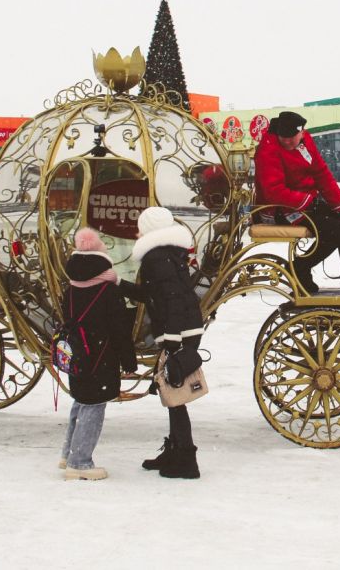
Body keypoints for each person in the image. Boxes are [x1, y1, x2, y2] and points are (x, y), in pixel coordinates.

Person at [254, 111, 340, 294]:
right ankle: (300, 268)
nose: (288, 142)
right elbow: (273, 191)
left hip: (302, 203)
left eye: (292, 137)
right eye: (284, 138)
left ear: (302, 132)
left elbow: (321, 173)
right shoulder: (268, 148)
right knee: (335, 230)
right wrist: (308, 202)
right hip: (278, 210)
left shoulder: (306, 141)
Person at [121, 206, 205, 480]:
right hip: (184, 328)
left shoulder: (156, 258)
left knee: (175, 394)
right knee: (173, 393)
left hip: (178, 330)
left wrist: (171, 339)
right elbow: (156, 293)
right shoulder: (167, 254)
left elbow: (171, 298)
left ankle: (186, 461)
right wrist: (120, 285)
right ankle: (176, 451)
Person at [59, 227, 138, 481]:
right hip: (101, 356)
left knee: (80, 401)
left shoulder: (70, 288)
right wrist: (129, 361)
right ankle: (80, 463)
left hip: (78, 355)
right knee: (94, 406)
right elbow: (120, 332)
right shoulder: (108, 291)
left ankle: (68, 454)